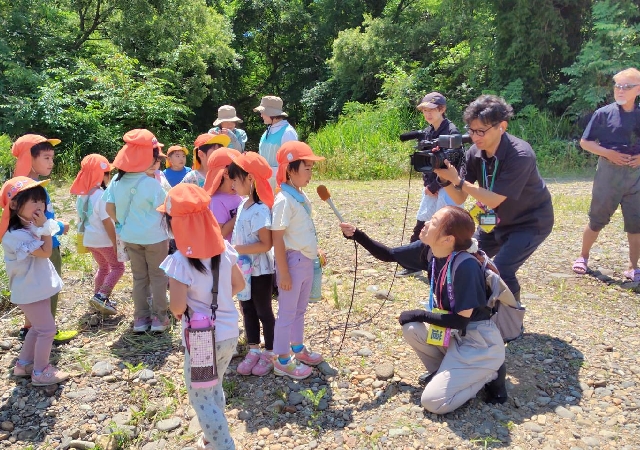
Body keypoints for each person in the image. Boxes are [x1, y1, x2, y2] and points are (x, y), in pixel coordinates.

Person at [340, 206, 506, 413]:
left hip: (476, 341)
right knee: (411, 328)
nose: (426, 223)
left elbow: (461, 320)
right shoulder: (429, 250)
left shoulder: (466, 266)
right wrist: (357, 235)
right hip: (453, 333)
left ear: (448, 239)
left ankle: (489, 373)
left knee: (433, 402)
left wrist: (421, 314)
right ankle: (444, 372)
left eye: (434, 222)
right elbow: (388, 254)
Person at [434, 95, 554, 315]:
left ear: (502, 126)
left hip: (529, 222)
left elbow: (494, 198)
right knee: (466, 256)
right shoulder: (474, 152)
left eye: (481, 131)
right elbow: (460, 197)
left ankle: (512, 319)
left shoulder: (520, 154)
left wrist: (458, 180)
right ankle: (473, 312)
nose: (475, 137)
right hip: (494, 220)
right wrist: (445, 179)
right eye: (471, 130)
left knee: (503, 269)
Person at [159, 183, 244, 450]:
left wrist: (183, 310)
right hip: (229, 333)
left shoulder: (179, 262)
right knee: (214, 385)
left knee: (200, 396)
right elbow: (239, 284)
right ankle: (211, 437)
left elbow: (177, 306)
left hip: (201, 340)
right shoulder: (224, 251)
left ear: (175, 225)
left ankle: (223, 444)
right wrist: (218, 299)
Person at [572, 68, 640, 282]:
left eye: (626, 86)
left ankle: (633, 267)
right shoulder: (603, 114)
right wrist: (608, 153)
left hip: (636, 175)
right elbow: (585, 142)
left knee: (636, 222)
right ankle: (583, 257)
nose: (620, 90)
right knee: (597, 218)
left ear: (638, 90)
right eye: (617, 86)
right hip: (608, 173)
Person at [1, 176, 70, 385]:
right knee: (48, 330)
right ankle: (40, 372)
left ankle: (23, 365)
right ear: (14, 205)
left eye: (41, 201)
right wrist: (46, 228)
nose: (40, 206)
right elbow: (46, 252)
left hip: (35, 287)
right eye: (34, 201)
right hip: (29, 290)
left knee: (38, 328)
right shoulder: (15, 235)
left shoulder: (28, 226)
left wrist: (47, 226)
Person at [10, 134, 76, 343]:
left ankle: (29, 328)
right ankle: (48, 330)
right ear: (29, 158)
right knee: (48, 289)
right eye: (46, 158)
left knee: (33, 290)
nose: (51, 163)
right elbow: (37, 221)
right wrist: (60, 227)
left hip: (30, 248)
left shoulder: (18, 186)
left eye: (52, 158)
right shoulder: (33, 188)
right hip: (46, 245)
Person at [103, 129, 170, 333]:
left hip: (130, 237)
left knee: (139, 277)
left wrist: (122, 222)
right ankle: (159, 318)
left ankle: (141, 318)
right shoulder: (151, 184)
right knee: (158, 276)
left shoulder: (116, 181)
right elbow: (167, 208)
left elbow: (109, 208)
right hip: (155, 237)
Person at [270, 141, 325, 380]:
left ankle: (297, 347)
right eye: (307, 169)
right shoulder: (284, 199)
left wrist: (316, 249)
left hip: (306, 260)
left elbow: (303, 228)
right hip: (292, 262)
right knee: (287, 312)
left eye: (312, 169)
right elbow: (277, 237)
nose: (310, 174)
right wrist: (283, 272)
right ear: (290, 170)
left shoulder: (299, 195)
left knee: (300, 309)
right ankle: (282, 359)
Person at [401, 92, 462, 277]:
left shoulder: (451, 132)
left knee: (445, 229)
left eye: (431, 110)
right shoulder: (427, 131)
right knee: (422, 225)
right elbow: (425, 163)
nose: (427, 114)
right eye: (424, 110)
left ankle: (446, 268)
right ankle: (413, 264)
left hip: (449, 187)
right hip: (431, 187)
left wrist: (435, 186)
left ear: (442, 109)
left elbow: (453, 163)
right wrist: (429, 185)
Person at [227, 152, 276, 376]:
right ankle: (254, 349)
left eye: (235, 180)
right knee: (247, 308)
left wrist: (237, 249)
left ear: (250, 178)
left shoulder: (260, 209)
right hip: (243, 271)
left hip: (260, 271)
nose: (232, 185)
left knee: (264, 310)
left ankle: (271, 352)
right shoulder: (242, 206)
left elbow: (266, 244)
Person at [70, 154, 123, 315]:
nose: (109, 177)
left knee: (103, 267)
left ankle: (97, 298)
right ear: (101, 175)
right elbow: (107, 222)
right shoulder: (101, 195)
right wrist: (114, 242)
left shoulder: (83, 195)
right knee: (118, 267)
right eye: (107, 173)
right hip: (103, 240)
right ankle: (102, 296)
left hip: (89, 240)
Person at [253, 96, 298, 190]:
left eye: (263, 112)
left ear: (271, 113)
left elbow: (292, 163)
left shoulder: (288, 133)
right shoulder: (268, 131)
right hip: (265, 182)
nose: (261, 115)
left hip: (280, 184)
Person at [203, 148, 242, 241]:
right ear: (226, 173)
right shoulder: (216, 201)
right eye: (241, 169)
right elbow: (219, 234)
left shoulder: (240, 193)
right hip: (230, 249)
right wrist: (241, 213)